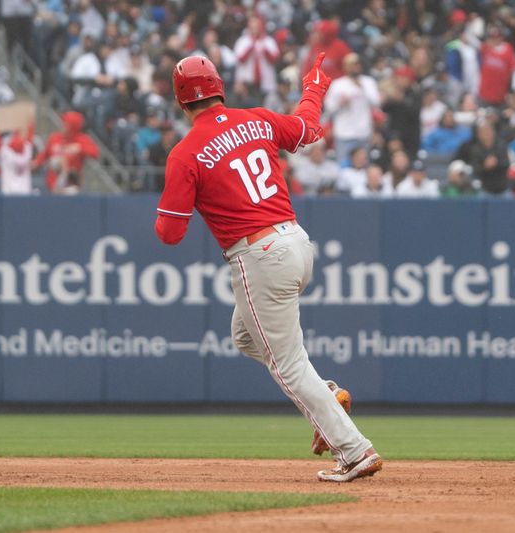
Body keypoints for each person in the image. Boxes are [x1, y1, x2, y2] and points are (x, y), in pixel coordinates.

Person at [155, 54, 381, 483]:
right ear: (220, 87)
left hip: (259, 255)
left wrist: (173, 200)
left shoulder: (185, 153)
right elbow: (309, 129)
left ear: (180, 101)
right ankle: (327, 396)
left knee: (288, 363)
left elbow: (169, 233)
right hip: (296, 242)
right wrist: (314, 87)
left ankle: (354, 451)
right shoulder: (257, 120)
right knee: (245, 335)